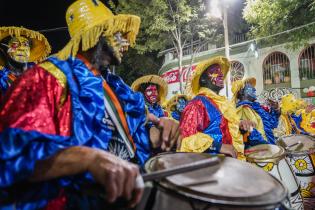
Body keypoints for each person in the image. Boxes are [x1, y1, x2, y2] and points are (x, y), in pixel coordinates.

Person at [0, 0, 179, 209]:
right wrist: (86, 158)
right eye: (119, 34)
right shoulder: (48, 78)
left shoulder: (115, 86)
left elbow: (129, 142)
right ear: (97, 33)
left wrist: (164, 130)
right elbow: (10, 152)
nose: (128, 42)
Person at [178, 56, 245, 159]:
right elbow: (184, 140)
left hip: (228, 166)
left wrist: (241, 127)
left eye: (220, 72)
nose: (221, 74)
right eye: (215, 72)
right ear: (203, 80)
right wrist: (217, 146)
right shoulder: (197, 104)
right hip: (210, 168)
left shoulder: (221, 103)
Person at [0, 26, 51, 99]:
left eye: (25, 45)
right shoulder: (2, 79)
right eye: (15, 44)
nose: (22, 49)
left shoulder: (41, 75)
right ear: (4, 49)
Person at [231, 77, 280, 148]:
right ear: (241, 92)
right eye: (250, 87)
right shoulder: (244, 108)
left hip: (269, 148)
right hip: (261, 152)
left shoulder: (256, 107)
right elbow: (251, 133)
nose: (254, 89)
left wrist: (275, 109)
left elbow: (273, 124)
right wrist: (268, 146)